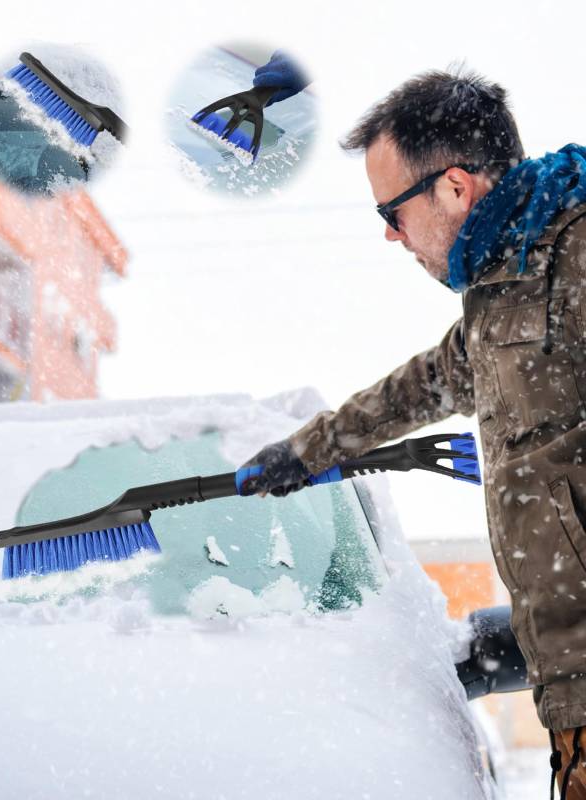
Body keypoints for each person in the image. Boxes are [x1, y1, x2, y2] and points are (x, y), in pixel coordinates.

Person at [239, 68, 586, 798]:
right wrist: (307, 450)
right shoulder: (503, 296)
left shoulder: (576, 255)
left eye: (392, 212)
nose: (390, 236)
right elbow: (424, 384)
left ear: (456, 188)